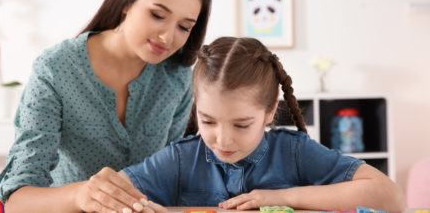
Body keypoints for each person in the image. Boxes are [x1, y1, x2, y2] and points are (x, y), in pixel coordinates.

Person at [0, 0, 211, 212]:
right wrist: (81, 195)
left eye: (184, 27)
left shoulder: (177, 77)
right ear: (127, 1)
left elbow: (171, 173)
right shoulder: (55, 69)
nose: (168, 38)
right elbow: (17, 201)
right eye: (157, 15)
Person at [119, 37, 406, 212]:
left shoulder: (294, 152)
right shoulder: (181, 158)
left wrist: (282, 198)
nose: (222, 140)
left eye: (241, 125)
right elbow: (102, 197)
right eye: (208, 121)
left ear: (270, 111)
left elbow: (390, 196)